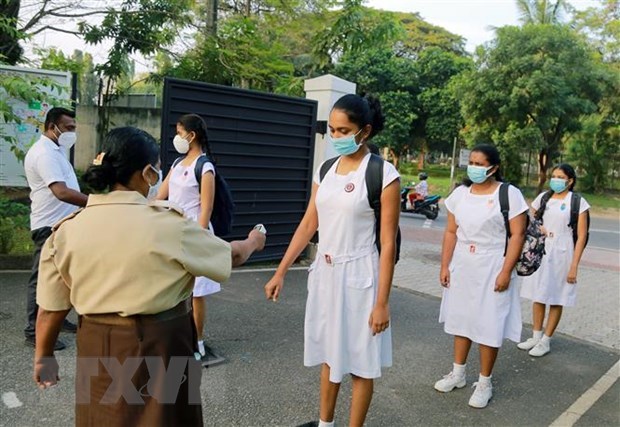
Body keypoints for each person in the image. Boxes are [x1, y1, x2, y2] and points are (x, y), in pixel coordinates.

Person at [33, 126, 266, 426]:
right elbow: (230, 255)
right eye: (156, 170)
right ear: (147, 174)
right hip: (162, 343)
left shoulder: (66, 231)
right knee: (167, 418)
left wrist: (44, 357)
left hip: (97, 343)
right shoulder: (170, 226)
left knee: (101, 418)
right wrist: (253, 241)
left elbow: (50, 310)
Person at [264, 94, 400, 427]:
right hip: (325, 273)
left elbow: (387, 242)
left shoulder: (384, 174)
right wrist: (280, 271)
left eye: (344, 130)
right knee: (329, 353)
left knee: (360, 361)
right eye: (333, 130)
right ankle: (325, 424)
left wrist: (382, 302)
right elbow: (310, 223)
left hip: (360, 275)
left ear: (364, 131)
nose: (337, 137)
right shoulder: (325, 169)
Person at [436, 144, 527, 409]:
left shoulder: (508, 194)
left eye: (480, 163)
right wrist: (444, 265)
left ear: (494, 167)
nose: (474, 168)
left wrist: (505, 271)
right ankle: (458, 373)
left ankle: (485, 382)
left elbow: (518, 235)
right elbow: (451, 232)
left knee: (489, 324)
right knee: (461, 319)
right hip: (463, 263)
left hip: (492, 264)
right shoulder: (460, 194)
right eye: (471, 162)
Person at [156, 113, 226, 366]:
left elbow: (205, 210)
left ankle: (197, 341)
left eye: (179, 131)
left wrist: (196, 243)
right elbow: (160, 197)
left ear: (191, 135)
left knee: (196, 295)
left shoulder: (205, 167)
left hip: (195, 235)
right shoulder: (176, 164)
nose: (177, 137)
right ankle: (176, 338)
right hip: (173, 234)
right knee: (175, 291)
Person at [23, 107, 88, 350]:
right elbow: (60, 191)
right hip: (48, 226)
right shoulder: (44, 153)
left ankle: (57, 320)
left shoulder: (56, 150)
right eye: (69, 128)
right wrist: (95, 202)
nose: (72, 132)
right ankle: (33, 330)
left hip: (62, 225)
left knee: (63, 276)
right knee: (41, 279)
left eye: (74, 127)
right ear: (52, 126)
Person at [518, 164, 590, 357]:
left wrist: (574, 266)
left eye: (560, 177)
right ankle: (535, 335)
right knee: (538, 294)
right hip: (540, 249)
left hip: (563, 252)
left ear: (570, 181)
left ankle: (546, 340)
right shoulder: (544, 197)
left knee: (557, 297)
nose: (556, 180)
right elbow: (528, 216)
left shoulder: (577, 202)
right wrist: (538, 226)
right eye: (554, 176)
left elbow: (581, 236)